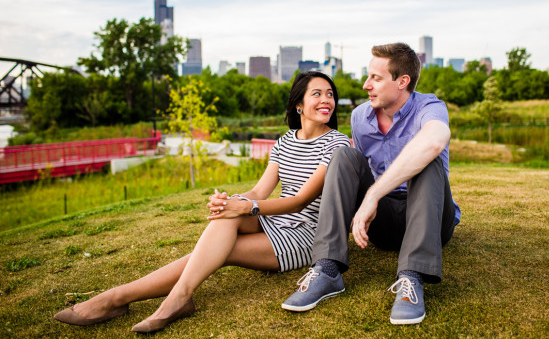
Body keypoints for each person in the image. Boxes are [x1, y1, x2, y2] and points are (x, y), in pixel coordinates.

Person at [53, 71, 351, 333]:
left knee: (218, 251)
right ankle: (134, 299)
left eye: (330, 95)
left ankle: (131, 298)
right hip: (276, 222)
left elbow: (300, 201)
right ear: (299, 104)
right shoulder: (286, 141)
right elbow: (259, 191)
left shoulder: (336, 143)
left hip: (307, 235)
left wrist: (246, 207)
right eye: (317, 94)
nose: (326, 100)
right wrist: (230, 200)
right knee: (226, 216)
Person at [282, 43, 461, 325]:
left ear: (402, 82)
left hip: (432, 218)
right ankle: (327, 269)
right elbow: (357, 171)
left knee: (429, 159)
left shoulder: (430, 106)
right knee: (343, 156)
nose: (366, 85)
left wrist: (372, 195)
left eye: (376, 78)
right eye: (368, 76)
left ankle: (411, 279)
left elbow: (435, 139)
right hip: (385, 223)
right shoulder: (360, 117)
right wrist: (367, 201)